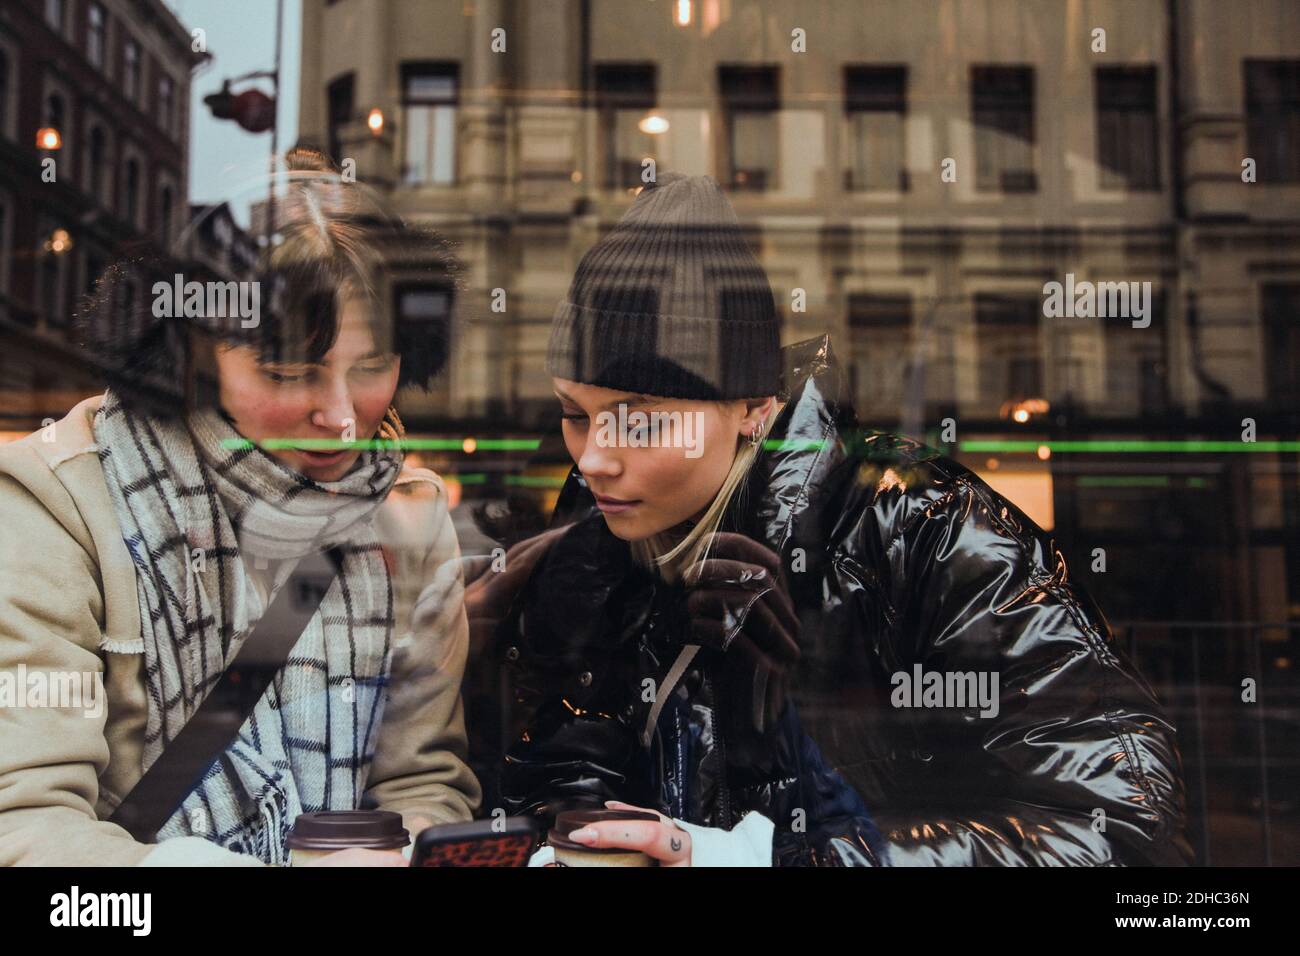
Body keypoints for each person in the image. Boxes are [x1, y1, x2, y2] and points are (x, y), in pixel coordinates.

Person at [471, 171, 1194, 866]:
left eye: (640, 423)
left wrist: (770, 862)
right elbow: (562, 772)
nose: (594, 457)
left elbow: (1120, 834)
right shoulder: (594, 551)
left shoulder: (920, 527)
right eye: (574, 415)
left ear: (754, 408)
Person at [0, 148, 480, 866]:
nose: (343, 416)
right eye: (291, 372)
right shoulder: (54, 504)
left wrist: (405, 851)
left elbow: (423, 780)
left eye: (373, 365)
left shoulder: (407, 517)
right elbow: (25, 827)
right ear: (187, 350)